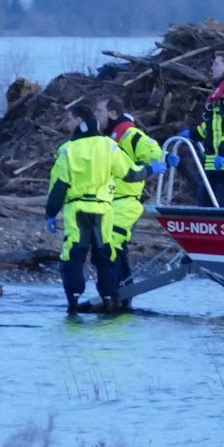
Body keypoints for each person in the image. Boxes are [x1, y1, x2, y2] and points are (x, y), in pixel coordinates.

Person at [45, 101, 147, 315]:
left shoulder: (67, 150)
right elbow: (130, 173)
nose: (68, 123)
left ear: (80, 120)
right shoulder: (108, 146)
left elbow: (59, 186)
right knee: (105, 255)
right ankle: (110, 301)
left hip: (77, 210)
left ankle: (72, 305)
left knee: (73, 255)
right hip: (103, 209)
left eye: (70, 119)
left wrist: (51, 214)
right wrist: (150, 169)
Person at [99, 95, 168, 298]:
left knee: (112, 246)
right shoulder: (106, 137)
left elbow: (153, 152)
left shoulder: (130, 134)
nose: (97, 116)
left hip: (125, 202)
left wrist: (159, 162)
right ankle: (118, 294)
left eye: (99, 112)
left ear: (112, 113)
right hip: (110, 203)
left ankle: (118, 294)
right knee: (113, 249)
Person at [177, 50, 224, 207]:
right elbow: (213, 123)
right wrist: (193, 134)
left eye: (216, 64)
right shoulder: (221, 91)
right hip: (214, 160)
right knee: (205, 201)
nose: (212, 67)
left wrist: (223, 151)